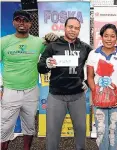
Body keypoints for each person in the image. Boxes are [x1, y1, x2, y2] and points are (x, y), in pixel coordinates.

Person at [0, 10, 57, 150]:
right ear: (13, 22)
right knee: (5, 126)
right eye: (18, 20)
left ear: (30, 24)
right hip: (10, 90)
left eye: (25, 20)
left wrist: (55, 38)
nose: (22, 23)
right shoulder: (4, 41)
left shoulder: (38, 42)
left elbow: (57, 47)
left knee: (30, 125)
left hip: (31, 90)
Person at [37, 17, 92, 150]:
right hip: (56, 96)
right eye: (70, 27)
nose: (73, 30)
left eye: (76, 28)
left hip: (77, 95)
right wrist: (47, 64)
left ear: (79, 30)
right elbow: (40, 67)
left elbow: (97, 63)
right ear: (65, 27)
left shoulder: (84, 47)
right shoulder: (53, 45)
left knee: (80, 131)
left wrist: (88, 82)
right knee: (52, 132)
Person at [87, 24, 117, 150]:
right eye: (106, 36)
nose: (109, 39)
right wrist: (95, 92)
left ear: (116, 38)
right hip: (98, 99)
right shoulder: (93, 54)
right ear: (101, 37)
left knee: (113, 129)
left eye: (112, 36)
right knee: (101, 129)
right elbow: (90, 76)